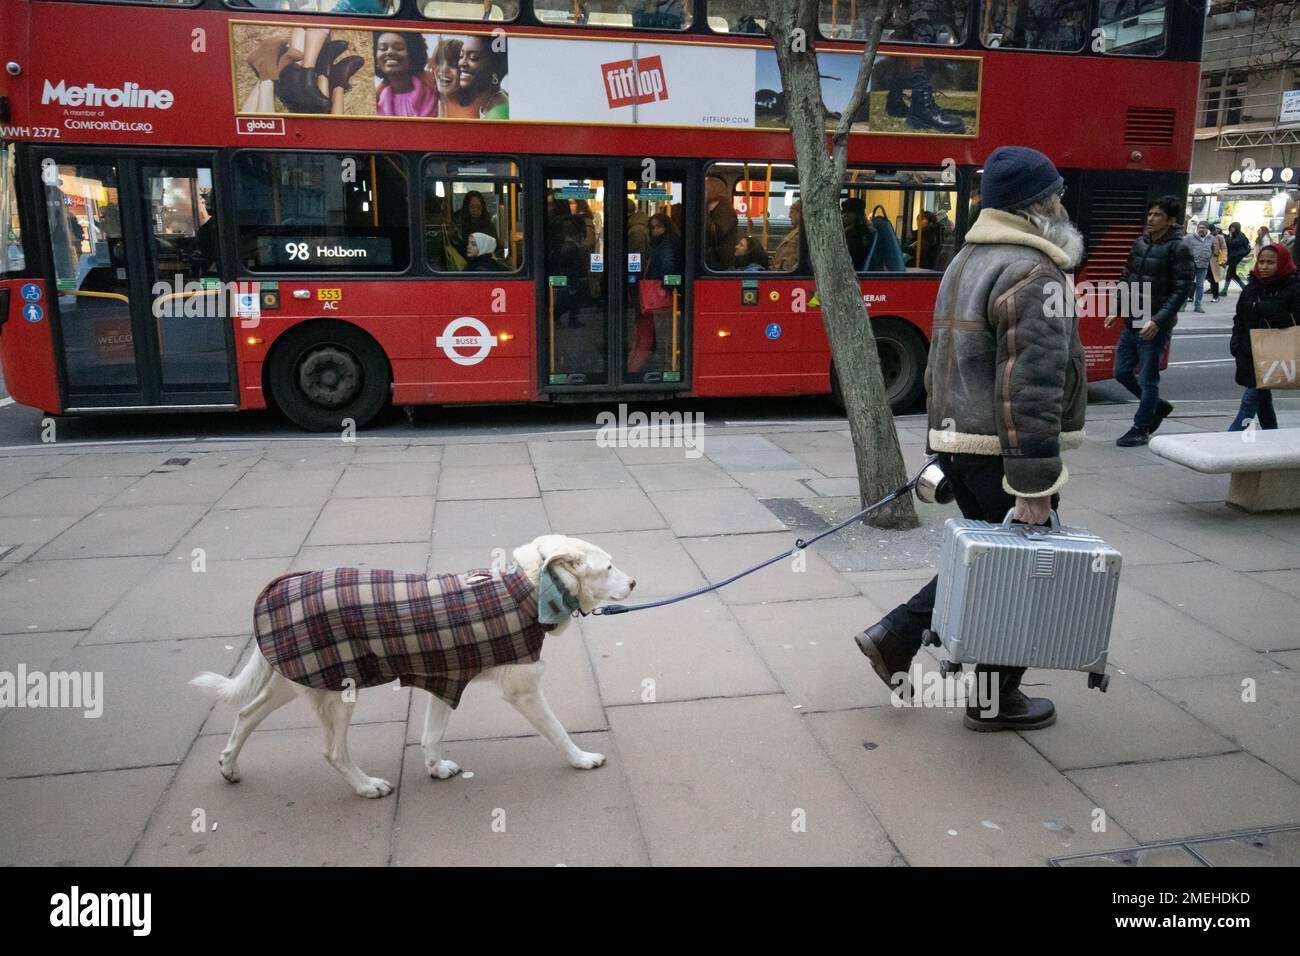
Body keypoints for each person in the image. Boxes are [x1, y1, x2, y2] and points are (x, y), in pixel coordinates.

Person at [855, 145, 1087, 731]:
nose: (1062, 203)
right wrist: (1034, 484)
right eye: (1056, 193)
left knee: (986, 564)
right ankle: (993, 699)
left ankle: (897, 637)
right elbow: (1030, 387)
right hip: (1005, 450)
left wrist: (940, 442)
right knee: (1019, 573)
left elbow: (944, 367)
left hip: (964, 442)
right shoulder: (1035, 270)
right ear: (1039, 205)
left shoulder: (968, 261)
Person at [1105, 196, 1193, 447]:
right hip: (1133, 315)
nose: (1151, 219)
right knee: (1121, 372)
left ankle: (1141, 428)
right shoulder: (1140, 244)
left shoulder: (1179, 248)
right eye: (1150, 214)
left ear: (1171, 220)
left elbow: (1181, 290)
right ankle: (1158, 406)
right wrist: (1117, 308)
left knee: (1148, 378)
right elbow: (1126, 276)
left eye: (1158, 215)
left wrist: (1158, 320)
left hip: (1154, 323)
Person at [1228, 242, 1299, 432]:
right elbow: (1239, 318)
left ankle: (1231, 439)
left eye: (1271, 262)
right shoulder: (1251, 288)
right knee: (1262, 398)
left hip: (1275, 353)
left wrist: (1266, 307)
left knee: (1253, 395)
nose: (1264, 267)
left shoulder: (1293, 288)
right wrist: (1235, 343)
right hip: (1248, 350)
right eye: (1262, 262)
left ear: (1282, 263)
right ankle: (1271, 433)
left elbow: (1294, 321)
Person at [629, 212, 682, 372]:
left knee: (661, 333)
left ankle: (666, 368)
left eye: (657, 227)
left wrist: (666, 287)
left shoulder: (664, 243)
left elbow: (667, 265)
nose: (654, 231)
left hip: (660, 295)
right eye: (652, 227)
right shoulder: (670, 241)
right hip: (664, 293)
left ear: (665, 226)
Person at [374, 32, 437, 117]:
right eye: (383, 48)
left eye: (399, 48)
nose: (389, 52)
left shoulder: (436, 95)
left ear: (413, 55)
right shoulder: (371, 103)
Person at [455, 34, 508, 119]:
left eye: (473, 57)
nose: (462, 63)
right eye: (461, 56)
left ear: (494, 66)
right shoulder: (489, 103)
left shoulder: (499, 113)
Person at [704, 175, 738, 270]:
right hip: (714, 260)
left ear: (712, 190)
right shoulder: (712, 210)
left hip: (721, 262)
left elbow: (716, 233)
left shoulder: (725, 210)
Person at [430, 38, 468, 118]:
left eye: (453, 64)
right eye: (439, 62)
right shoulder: (428, 104)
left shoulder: (476, 111)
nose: (443, 70)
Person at [1183, 219, 1214, 313]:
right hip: (1190, 264)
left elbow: (1213, 249)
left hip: (1203, 265)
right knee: (1187, 285)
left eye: (1203, 228)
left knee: (1200, 286)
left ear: (1207, 229)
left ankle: (1198, 306)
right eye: (1200, 227)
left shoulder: (1211, 238)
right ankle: (1182, 305)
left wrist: (1208, 257)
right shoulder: (1189, 237)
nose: (1201, 229)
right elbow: (1183, 249)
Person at [454, 190, 496, 257]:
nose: (475, 210)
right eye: (472, 207)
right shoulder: (459, 224)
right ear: (466, 207)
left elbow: (496, 247)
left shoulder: (488, 225)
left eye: (479, 207)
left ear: (483, 207)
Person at [772, 200, 810, 272]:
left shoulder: (802, 234)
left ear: (800, 213)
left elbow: (796, 259)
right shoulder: (796, 232)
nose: (789, 215)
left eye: (792, 212)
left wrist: (782, 266)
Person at [841, 197, 874, 271]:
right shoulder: (850, 229)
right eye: (843, 212)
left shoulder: (858, 234)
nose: (844, 215)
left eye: (849, 212)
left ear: (857, 214)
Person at [1224, 222, 1251, 295]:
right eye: (1231, 227)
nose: (1231, 228)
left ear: (1237, 228)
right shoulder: (1233, 235)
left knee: (1230, 272)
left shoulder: (1240, 236)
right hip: (1233, 256)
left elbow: (1233, 243)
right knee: (1231, 273)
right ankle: (1244, 287)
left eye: (1233, 227)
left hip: (1237, 256)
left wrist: (1226, 238)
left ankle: (1225, 290)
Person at [1207, 223, 1226, 302]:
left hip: (1214, 259)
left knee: (1214, 279)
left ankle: (1216, 296)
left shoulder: (1219, 237)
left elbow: (1224, 248)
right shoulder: (1205, 236)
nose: (1215, 231)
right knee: (1206, 278)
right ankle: (1191, 297)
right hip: (1204, 259)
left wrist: (1224, 259)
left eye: (1215, 229)